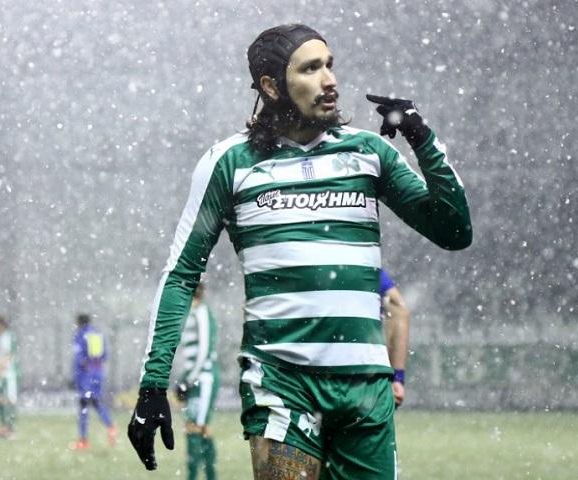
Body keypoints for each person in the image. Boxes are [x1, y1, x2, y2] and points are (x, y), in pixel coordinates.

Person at [127, 23, 472, 479]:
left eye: (329, 65)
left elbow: (454, 230)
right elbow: (181, 274)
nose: (330, 80)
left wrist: (421, 136)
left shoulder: (368, 153)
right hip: (281, 384)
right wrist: (153, 384)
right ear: (272, 87)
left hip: (366, 390)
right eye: (310, 69)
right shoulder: (230, 163)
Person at [174, 284, 220, 480]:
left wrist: (189, 380)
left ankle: (199, 476)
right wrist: (184, 380)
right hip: (194, 380)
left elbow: (204, 350)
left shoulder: (202, 312)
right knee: (197, 428)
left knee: (196, 428)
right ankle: (207, 475)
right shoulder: (191, 313)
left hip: (204, 379)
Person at [70, 313, 117, 450]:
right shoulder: (97, 335)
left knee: (83, 405)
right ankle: (111, 426)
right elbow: (104, 356)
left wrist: (76, 378)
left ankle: (83, 440)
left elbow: (79, 359)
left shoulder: (80, 335)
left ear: (79, 323)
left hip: (86, 376)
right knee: (96, 403)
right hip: (98, 373)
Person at [380, 269, 410, 407]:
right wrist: (397, 377)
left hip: (319, 371)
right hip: (365, 372)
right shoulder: (368, 267)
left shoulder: (316, 264)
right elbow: (399, 309)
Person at [0, 315, 18, 439]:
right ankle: (4, 427)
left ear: (1, 324)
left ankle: (10, 429)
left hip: (8, 374)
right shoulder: (0, 337)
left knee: (9, 400)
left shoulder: (7, 337)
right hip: (2, 373)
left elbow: (7, 356)